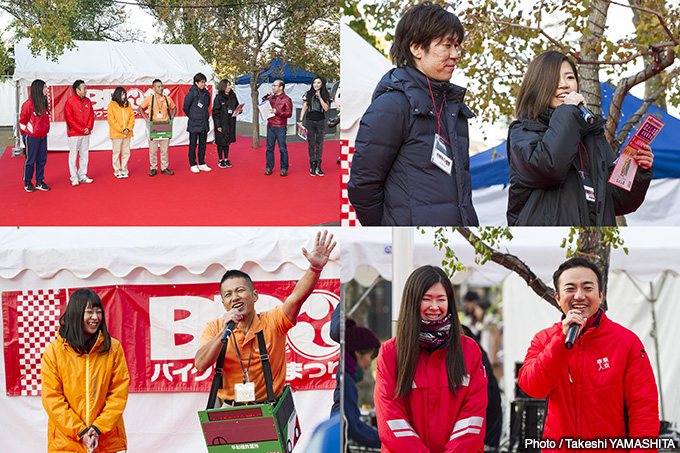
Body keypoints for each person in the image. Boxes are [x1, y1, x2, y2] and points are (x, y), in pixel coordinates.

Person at [347, 2, 478, 226]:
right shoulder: (392, 106)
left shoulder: (453, 109)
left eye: (457, 46)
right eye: (447, 46)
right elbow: (363, 186)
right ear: (417, 48)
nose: (455, 55)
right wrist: (390, 229)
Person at [518, 257, 659, 450]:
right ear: (558, 298)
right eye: (570, 289)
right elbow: (533, 387)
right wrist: (561, 341)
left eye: (587, 288)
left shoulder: (627, 342)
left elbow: (644, 411)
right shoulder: (544, 339)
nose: (579, 296)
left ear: (600, 296)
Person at [507, 51, 654, 226]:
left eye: (570, 78)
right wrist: (569, 111)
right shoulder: (522, 131)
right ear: (538, 84)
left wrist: (638, 171)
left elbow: (617, 200)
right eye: (554, 78)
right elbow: (548, 168)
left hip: (593, 238)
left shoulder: (592, 135)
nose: (564, 85)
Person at [195, 231, 336, 404]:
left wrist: (315, 268)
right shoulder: (215, 328)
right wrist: (224, 332)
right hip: (229, 409)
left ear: (254, 296)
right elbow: (200, 365)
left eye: (240, 290)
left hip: (270, 408)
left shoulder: (273, 321)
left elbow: (296, 298)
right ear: (224, 303)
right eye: (229, 294)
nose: (235, 297)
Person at [374, 265, 487, 452]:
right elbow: (390, 419)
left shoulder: (469, 350)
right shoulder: (390, 353)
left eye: (441, 299)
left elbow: (474, 413)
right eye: (426, 300)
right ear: (412, 302)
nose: (434, 307)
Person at [41, 288, 130, 453]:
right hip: (66, 444)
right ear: (75, 314)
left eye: (98, 312)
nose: (95, 318)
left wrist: (98, 429)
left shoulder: (114, 349)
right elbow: (52, 399)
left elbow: (118, 394)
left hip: (106, 441)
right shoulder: (53, 352)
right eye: (89, 312)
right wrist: (81, 432)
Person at [330, 306, 382, 450]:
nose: (370, 363)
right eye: (370, 357)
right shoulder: (346, 380)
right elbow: (354, 427)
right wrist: (384, 441)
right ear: (358, 353)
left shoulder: (346, 375)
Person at [138, 79, 176, 176]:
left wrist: (172, 117)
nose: (161, 88)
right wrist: (146, 118)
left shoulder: (167, 99)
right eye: (158, 86)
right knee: (153, 149)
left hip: (165, 126)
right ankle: (153, 168)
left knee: (164, 149)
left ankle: (164, 167)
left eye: (162, 86)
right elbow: (140, 108)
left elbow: (174, 107)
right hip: (154, 126)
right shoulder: (149, 99)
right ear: (153, 88)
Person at [19, 79, 51, 192]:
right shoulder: (28, 104)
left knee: (42, 160)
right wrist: (25, 135)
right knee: (30, 161)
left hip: (43, 136)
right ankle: (27, 182)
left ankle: (39, 181)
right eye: (44, 88)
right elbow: (22, 122)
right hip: (31, 137)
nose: (46, 90)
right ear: (38, 89)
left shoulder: (43, 102)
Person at [298, 76, 330, 177]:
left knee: (319, 144)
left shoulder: (325, 94)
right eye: (314, 83)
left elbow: (326, 108)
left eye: (318, 83)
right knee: (311, 144)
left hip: (321, 121)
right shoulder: (308, 94)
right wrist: (300, 120)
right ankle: (312, 164)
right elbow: (304, 107)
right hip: (309, 121)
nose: (316, 85)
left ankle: (318, 165)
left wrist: (320, 97)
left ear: (322, 84)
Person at [65, 80, 95, 186]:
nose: (86, 90)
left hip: (86, 133)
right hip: (74, 134)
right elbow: (70, 119)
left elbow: (92, 115)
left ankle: (82, 175)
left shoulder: (88, 101)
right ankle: (74, 177)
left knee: (84, 155)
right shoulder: (70, 102)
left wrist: (88, 128)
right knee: (73, 155)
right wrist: (81, 129)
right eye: (84, 88)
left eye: (86, 87)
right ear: (77, 90)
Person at [183, 72, 212, 173]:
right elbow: (185, 107)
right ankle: (193, 164)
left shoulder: (206, 93)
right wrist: (192, 116)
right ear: (196, 82)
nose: (203, 84)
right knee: (193, 145)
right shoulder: (191, 93)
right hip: (194, 123)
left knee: (203, 144)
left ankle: (202, 163)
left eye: (204, 82)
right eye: (201, 82)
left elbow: (207, 106)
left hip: (204, 123)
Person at [263, 79, 292, 176]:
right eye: (273, 85)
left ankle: (284, 168)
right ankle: (269, 167)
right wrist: (265, 98)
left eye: (275, 85)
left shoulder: (286, 99)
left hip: (280, 126)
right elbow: (264, 107)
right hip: (270, 125)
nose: (273, 87)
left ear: (281, 87)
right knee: (269, 148)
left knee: (282, 148)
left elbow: (289, 114)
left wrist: (278, 112)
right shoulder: (271, 98)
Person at [212, 78, 241, 168]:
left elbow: (237, 106)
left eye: (230, 85)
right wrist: (218, 125)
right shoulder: (218, 98)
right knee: (221, 142)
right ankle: (220, 160)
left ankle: (226, 159)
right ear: (223, 87)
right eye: (228, 85)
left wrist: (239, 110)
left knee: (227, 141)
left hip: (230, 122)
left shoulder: (233, 96)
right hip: (222, 122)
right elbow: (215, 113)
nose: (229, 87)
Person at [107, 87, 135, 178]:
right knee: (116, 152)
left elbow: (132, 118)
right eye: (122, 94)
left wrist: (128, 129)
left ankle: (124, 169)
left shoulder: (128, 105)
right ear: (117, 95)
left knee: (126, 152)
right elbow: (111, 120)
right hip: (117, 134)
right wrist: (121, 129)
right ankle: (117, 170)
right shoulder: (111, 105)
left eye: (125, 94)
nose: (123, 96)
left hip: (127, 133)